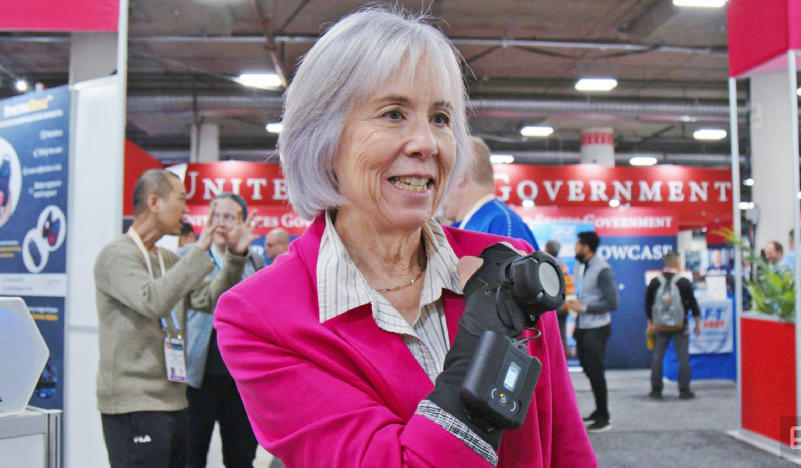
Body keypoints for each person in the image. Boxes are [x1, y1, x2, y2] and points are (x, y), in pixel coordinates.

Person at [214, 8, 595, 467]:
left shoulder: (507, 264)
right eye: (394, 113)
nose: (427, 143)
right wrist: (482, 346)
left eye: (439, 117)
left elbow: (567, 450)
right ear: (324, 138)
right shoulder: (261, 316)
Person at [93, 169, 259, 468]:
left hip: (174, 401)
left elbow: (208, 300)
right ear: (154, 202)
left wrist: (236, 257)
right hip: (135, 405)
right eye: (181, 199)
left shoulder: (168, 259)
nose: (185, 210)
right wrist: (200, 249)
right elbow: (152, 300)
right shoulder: (117, 255)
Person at [185, 193, 265, 468]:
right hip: (198, 376)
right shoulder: (191, 257)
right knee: (192, 454)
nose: (220, 223)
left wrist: (239, 255)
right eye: (215, 216)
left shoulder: (253, 261)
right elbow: (212, 299)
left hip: (240, 380)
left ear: (242, 222)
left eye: (229, 217)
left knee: (240, 455)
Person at [441, 136, 539, 249]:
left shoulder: (502, 224)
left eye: (444, 175)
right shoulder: (472, 225)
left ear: (459, 176)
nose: (439, 187)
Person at [565, 231, 618, 433]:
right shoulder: (580, 265)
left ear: (586, 247)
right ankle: (598, 410)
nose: (575, 248)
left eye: (577, 244)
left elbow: (612, 302)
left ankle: (604, 416)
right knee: (587, 368)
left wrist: (584, 307)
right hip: (583, 325)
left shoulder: (603, 269)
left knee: (596, 371)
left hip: (598, 327)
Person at [645, 251, 701, 400]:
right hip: (680, 326)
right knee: (683, 357)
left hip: (660, 327)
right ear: (676, 263)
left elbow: (648, 304)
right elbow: (693, 304)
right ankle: (684, 390)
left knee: (657, 357)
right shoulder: (683, 282)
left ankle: (656, 390)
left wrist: (650, 322)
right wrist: (697, 322)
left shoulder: (655, 282)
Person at [544, 239, 574, 358]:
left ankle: (554, 359)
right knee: (562, 335)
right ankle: (562, 360)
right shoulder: (563, 265)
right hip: (564, 305)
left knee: (551, 335)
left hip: (552, 306)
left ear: (547, 249)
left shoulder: (546, 264)